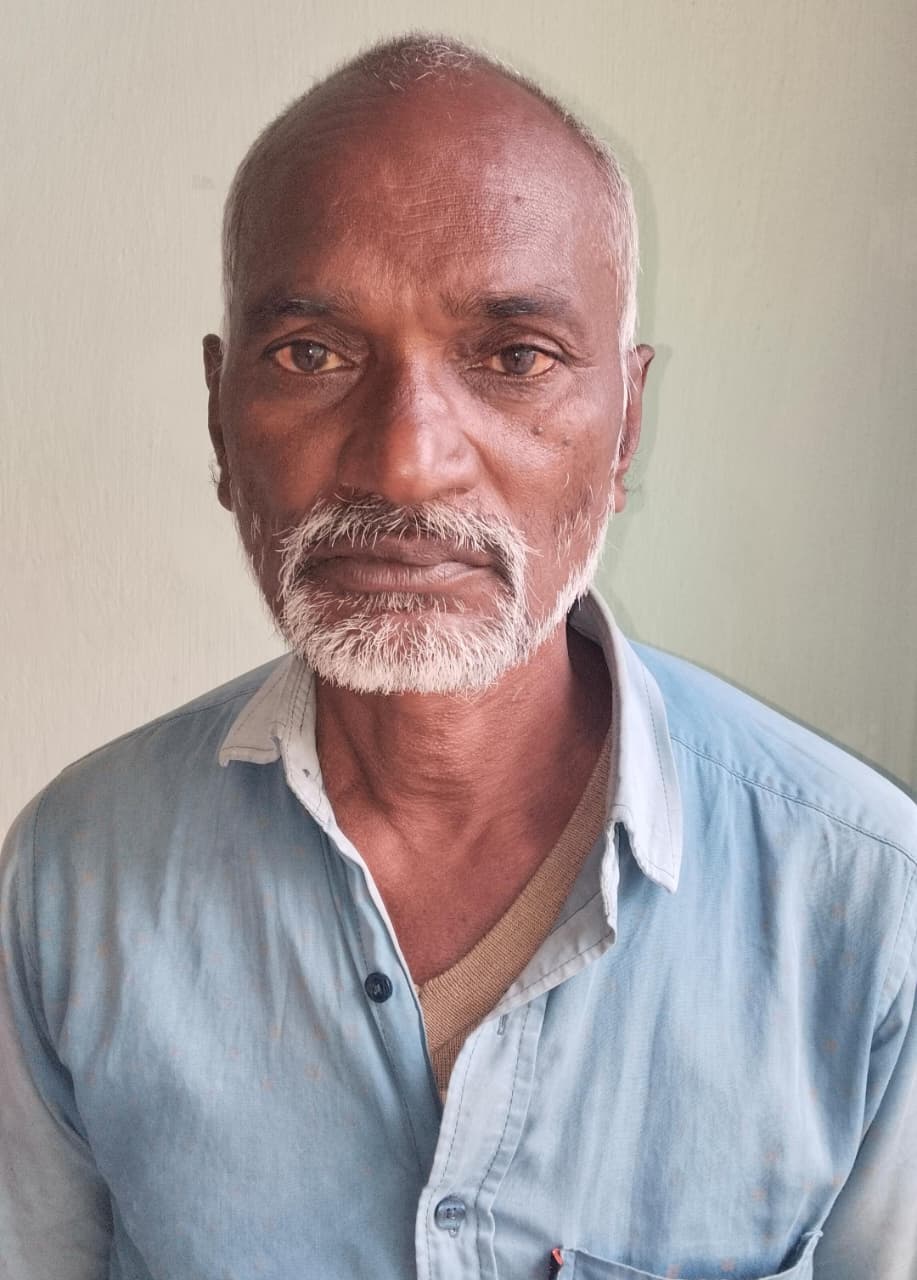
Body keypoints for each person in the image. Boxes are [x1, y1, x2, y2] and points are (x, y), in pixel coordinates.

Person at [1, 33, 915, 1280]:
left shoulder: (867, 907)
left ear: (624, 427)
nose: (404, 460)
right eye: (312, 354)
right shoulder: (74, 878)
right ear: (220, 417)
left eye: (513, 357)